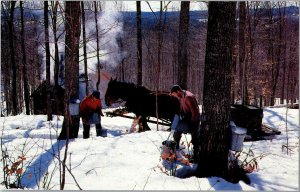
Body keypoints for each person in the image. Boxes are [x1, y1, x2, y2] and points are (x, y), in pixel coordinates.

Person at [169, 85, 200, 154]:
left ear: (178, 91)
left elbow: (195, 112)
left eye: (174, 95)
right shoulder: (181, 96)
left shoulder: (188, 97)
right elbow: (182, 107)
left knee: (195, 138)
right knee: (177, 129)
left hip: (194, 120)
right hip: (187, 117)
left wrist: (192, 125)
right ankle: (176, 148)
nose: (175, 96)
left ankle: (196, 156)